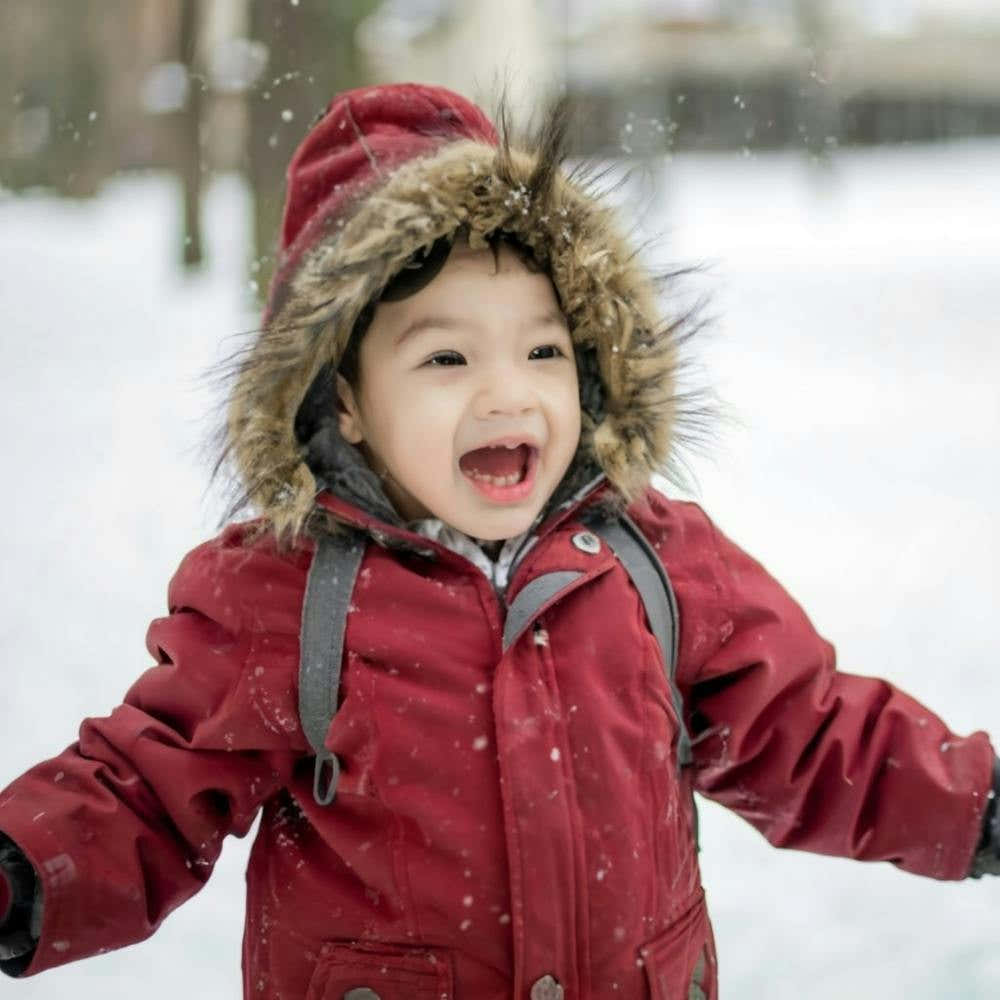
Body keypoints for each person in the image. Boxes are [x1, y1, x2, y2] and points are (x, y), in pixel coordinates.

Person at [0, 81, 997, 1000]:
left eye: (543, 349)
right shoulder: (288, 596)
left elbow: (810, 730)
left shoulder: (657, 564)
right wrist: (25, 868)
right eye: (444, 355)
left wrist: (974, 801)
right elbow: (146, 784)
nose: (506, 391)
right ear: (342, 399)